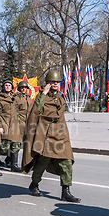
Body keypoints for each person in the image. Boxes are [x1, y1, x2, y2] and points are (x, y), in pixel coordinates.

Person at [22, 70, 81, 203]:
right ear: (48, 83)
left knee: (66, 161)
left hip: (60, 135)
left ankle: (66, 191)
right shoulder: (41, 97)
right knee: (42, 163)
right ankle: (34, 184)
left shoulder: (60, 98)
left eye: (57, 82)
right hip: (46, 135)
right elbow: (36, 111)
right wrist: (43, 94)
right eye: (52, 82)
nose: (55, 84)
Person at [0, 80, 22, 172]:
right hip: (4, 123)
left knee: (16, 144)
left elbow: (17, 112)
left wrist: (18, 124)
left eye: (9, 85)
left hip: (14, 125)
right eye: (5, 85)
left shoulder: (14, 99)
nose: (7, 87)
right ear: (3, 87)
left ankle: (14, 164)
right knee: (1, 146)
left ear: (12, 87)